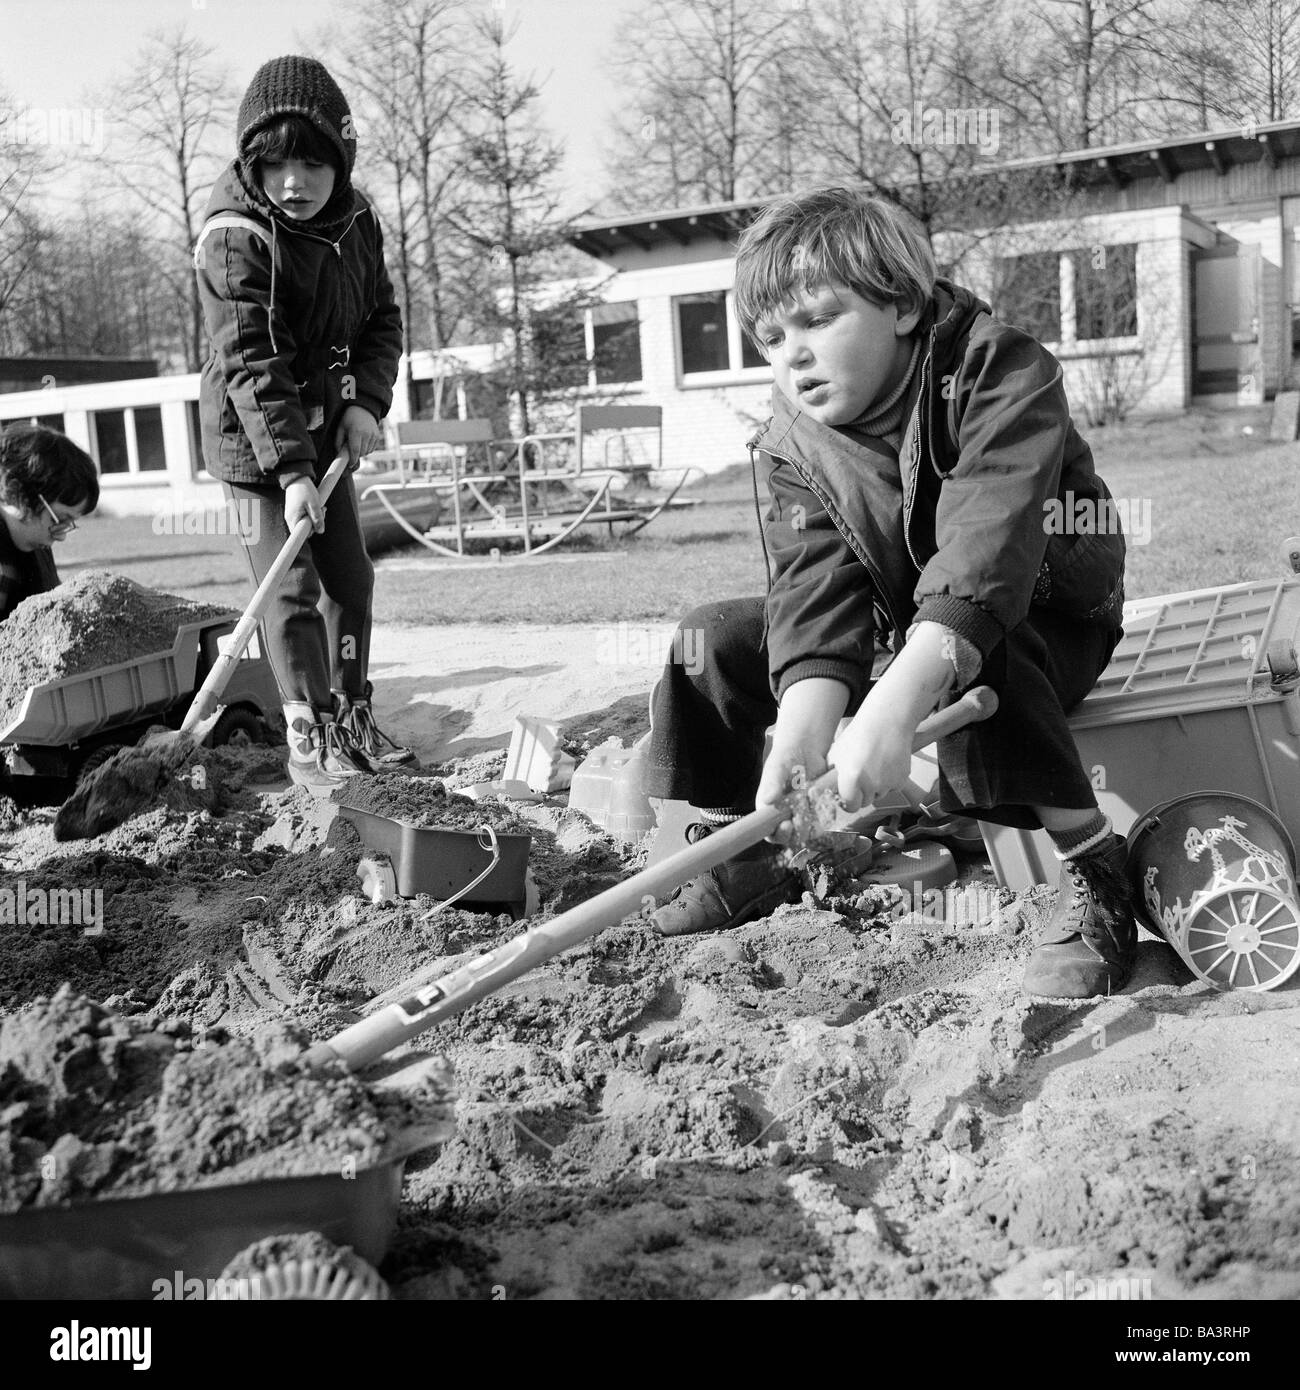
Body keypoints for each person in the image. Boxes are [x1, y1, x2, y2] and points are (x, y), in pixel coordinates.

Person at [643, 186, 1132, 1000]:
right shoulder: (793, 438)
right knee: (713, 640)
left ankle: (1095, 867)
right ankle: (745, 852)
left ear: (901, 305)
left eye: (818, 320)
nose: (791, 355)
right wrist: (804, 729)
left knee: (974, 639)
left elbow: (990, 545)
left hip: (1038, 615)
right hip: (901, 617)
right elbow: (813, 584)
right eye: (770, 337)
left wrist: (898, 699)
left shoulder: (1000, 371)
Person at [194, 54, 415, 794]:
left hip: (323, 424)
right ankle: (307, 732)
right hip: (254, 440)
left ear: (341, 158)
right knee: (286, 593)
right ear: (251, 162)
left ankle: (351, 716)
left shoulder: (358, 219)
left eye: (313, 162)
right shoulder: (235, 237)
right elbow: (253, 363)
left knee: (349, 579)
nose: (294, 180)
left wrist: (365, 403)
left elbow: (383, 318)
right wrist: (289, 472)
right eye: (276, 162)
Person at [0, 424, 99, 624]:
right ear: (20, 497)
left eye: (69, 523)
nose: (61, 536)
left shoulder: (35, 543)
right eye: (60, 520)